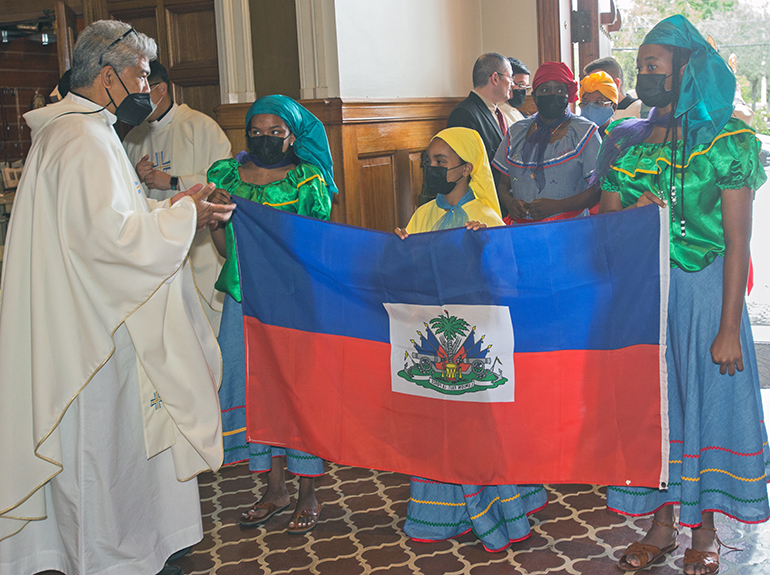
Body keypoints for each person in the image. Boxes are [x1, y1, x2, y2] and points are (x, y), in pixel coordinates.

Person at [0, 20, 235, 575]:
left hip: (92, 323)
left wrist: (177, 206)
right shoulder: (81, 138)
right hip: (96, 343)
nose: (148, 90)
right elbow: (111, 244)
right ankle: (115, 561)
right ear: (108, 76)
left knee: (117, 470)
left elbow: (111, 226)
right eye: (141, 75)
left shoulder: (87, 131)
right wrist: (187, 216)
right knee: (103, 469)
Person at [596, 15, 769, 575]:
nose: (643, 76)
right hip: (647, 298)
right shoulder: (628, 140)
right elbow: (606, 222)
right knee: (658, 411)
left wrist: (726, 327)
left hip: (705, 297)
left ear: (685, 71)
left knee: (705, 407)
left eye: (653, 66)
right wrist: (633, 214)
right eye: (641, 67)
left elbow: (739, 243)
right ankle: (662, 524)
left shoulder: (727, 140)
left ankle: (706, 531)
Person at [395, 127, 547, 551]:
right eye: (429, 160)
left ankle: (500, 508)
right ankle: (443, 512)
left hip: (474, 341)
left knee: (482, 426)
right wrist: (402, 250)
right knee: (438, 422)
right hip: (432, 335)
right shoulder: (423, 214)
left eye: (441, 161)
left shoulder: (486, 217)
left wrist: (487, 248)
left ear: (466, 168)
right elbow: (408, 273)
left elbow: (507, 279)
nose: (432, 167)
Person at [210, 94, 335, 535]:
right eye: (256, 133)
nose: (264, 140)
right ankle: (274, 489)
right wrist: (218, 225)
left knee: (295, 390)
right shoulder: (228, 178)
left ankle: (308, 492)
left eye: (275, 133)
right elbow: (228, 253)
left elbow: (314, 246)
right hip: (244, 303)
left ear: (292, 135)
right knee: (254, 386)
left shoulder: (306, 179)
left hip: (292, 304)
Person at [123, 60, 232, 333]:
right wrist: (135, 176)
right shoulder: (133, 138)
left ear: (161, 89)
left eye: (143, 93)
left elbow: (225, 182)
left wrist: (171, 181)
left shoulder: (200, 126)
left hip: (202, 247)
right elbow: (122, 193)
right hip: (158, 253)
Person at [493, 61, 602, 224]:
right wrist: (510, 203)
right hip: (522, 233)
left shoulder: (585, 133)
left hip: (570, 232)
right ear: (535, 95)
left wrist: (558, 206)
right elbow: (503, 184)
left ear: (568, 95)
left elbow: (597, 189)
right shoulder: (516, 132)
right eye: (545, 90)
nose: (553, 94)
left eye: (560, 90)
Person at [447, 53, 513, 192]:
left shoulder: (497, 112)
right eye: (510, 77)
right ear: (495, 78)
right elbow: (466, 169)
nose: (512, 84)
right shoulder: (464, 114)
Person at [578, 70, 619, 137]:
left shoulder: (621, 138)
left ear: (613, 106)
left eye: (598, 102)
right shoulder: (573, 135)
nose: (590, 108)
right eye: (585, 102)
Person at [498, 57, 531, 126]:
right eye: (521, 85)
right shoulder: (497, 114)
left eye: (526, 87)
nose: (523, 90)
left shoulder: (521, 115)